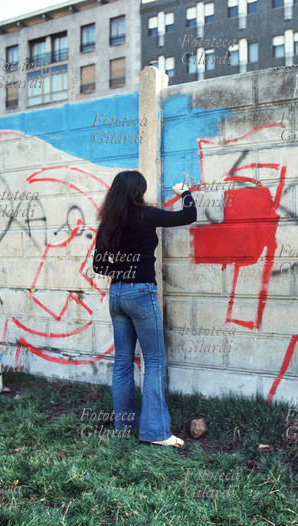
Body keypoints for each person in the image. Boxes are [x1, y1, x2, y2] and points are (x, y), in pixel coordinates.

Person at [93, 172, 196, 447]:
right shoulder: (145, 216)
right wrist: (184, 191)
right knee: (153, 361)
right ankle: (155, 432)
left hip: (117, 295)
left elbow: (99, 267)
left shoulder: (109, 223)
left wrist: (122, 269)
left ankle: (124, 427)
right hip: (141, 293)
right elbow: (188, 216)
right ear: (138, 191)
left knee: (123, 363)